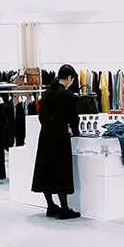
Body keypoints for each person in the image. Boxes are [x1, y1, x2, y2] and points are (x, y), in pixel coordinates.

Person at [31, 64, 81, 219]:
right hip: (60, 137)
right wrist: (76, 132)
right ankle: (65, 208)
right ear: (69, 78)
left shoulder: (46, 94)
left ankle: (51, 206)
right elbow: (74, 119)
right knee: (61, 171)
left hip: (45, 136)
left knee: (46, 170)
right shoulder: (68, 97)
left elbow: (41, 116)